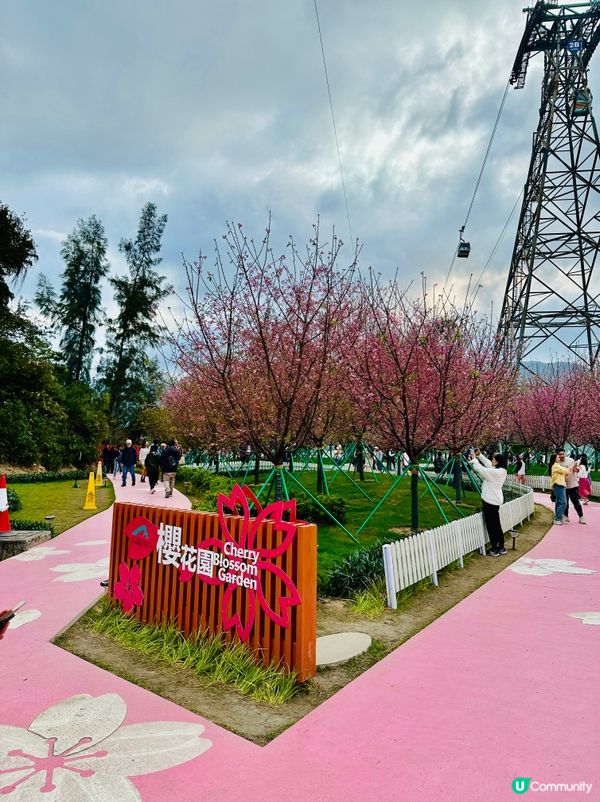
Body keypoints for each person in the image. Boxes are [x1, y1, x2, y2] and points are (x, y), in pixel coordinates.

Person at [468, 449, 508, 556]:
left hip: (490, 501)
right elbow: (489, 464)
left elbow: (481, 470)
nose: (492, 460)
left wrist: (474, 459)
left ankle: (494, 547)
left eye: (494, 459)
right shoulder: (500, 470)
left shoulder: (495, 473)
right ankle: (501, 546)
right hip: (495, 500)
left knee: (491, 525)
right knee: (497, 524)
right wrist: (480, 455)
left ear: (498, 461)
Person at [560, 450, 586, 524]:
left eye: (563, 454)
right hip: (563, 485)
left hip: (573, 485)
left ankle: (581, 517)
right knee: (565, 503)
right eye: (560, 454)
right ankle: (565, 516)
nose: (562, 455)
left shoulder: (571, 460)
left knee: (576, 502)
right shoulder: (557, 463)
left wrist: (576, 469)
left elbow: (575, 469)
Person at [549, 451, 570, 525]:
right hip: (558, 485)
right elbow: (567, 471)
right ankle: (558, 518)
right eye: (558, 457)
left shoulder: (558, 465)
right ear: (555, 459)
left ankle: (558, 518)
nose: (559, 457)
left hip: (560, 485)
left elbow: (565, 471)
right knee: (563, 502)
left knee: (559, 502)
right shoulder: (555, 466)